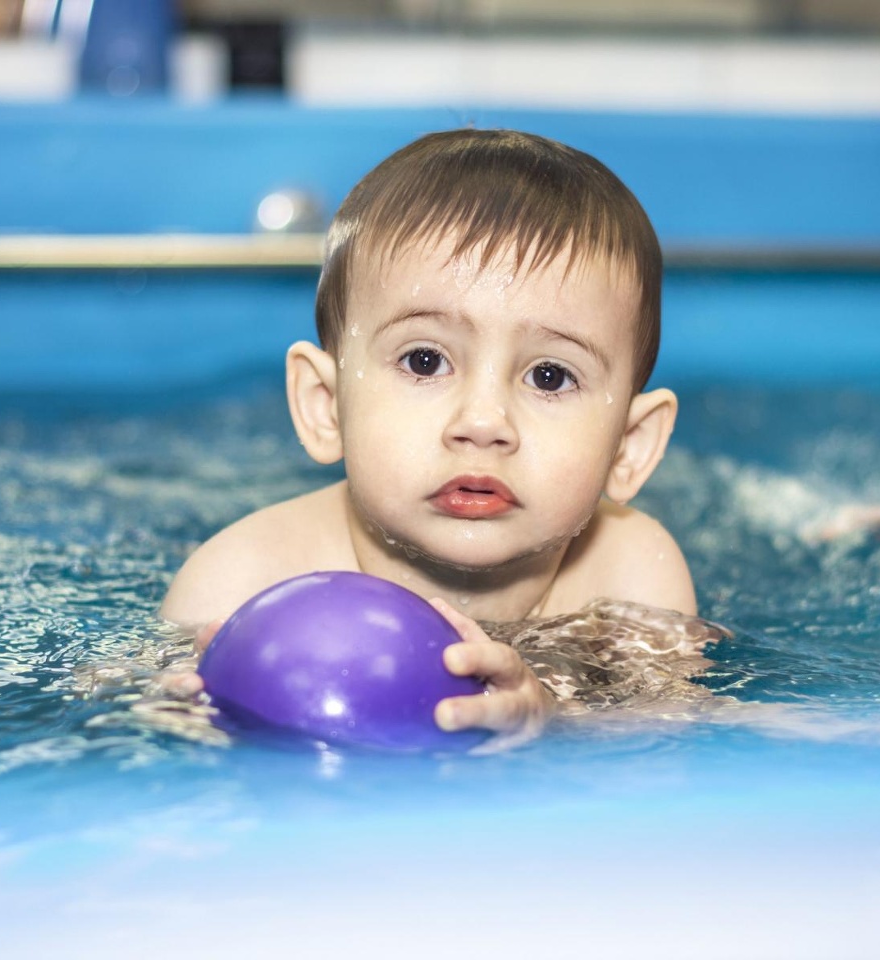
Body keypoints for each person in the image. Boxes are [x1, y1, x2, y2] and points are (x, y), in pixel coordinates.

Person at [161, 129, 692, 749]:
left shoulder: (630, 577)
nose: (484, 422)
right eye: (424, 361)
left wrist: (552, 717)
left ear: (629, 447)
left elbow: (670, 740)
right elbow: (120, 711)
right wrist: (183, 710)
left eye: (550, 376)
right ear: (325, 406)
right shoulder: (244, 582)